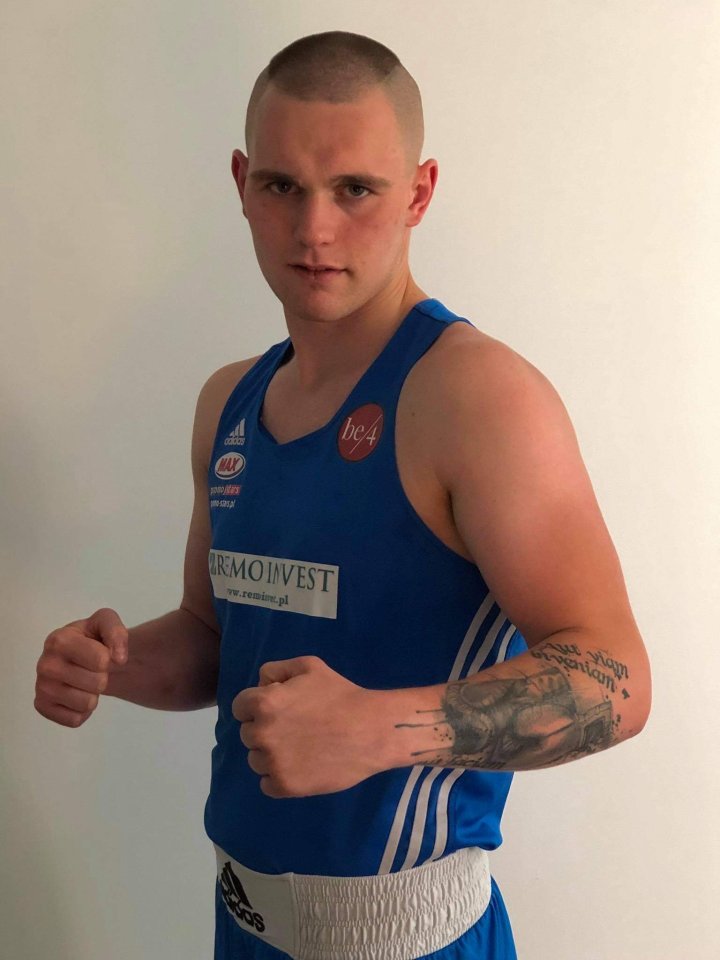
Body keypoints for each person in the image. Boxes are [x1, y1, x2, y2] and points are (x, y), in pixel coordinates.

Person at [34, 30, 652, 960]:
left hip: (411, 938)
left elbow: (618, 676)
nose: (314, 230)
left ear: (419, 193)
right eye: (282, 186)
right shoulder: (228, 403)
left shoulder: (475, 397)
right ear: (242, 183)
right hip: (241, 923)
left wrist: (381, 729)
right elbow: (216, 639)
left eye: (355, 189)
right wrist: (112, 665)